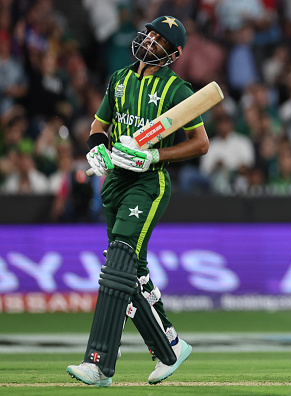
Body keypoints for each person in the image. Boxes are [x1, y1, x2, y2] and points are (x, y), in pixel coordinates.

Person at [66, 16, 209, 387]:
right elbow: (100, 126)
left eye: (160, 40)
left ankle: (98, 364)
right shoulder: (119, 79)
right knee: (132, 272)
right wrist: (96, 149)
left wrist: (155, 157)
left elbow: (200, 143)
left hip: (148, 183)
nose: (149, 42)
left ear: (173, 53)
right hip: (114, 182)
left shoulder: (178, 89)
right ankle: (169, 347)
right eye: (150, 34)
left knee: (118, 263)